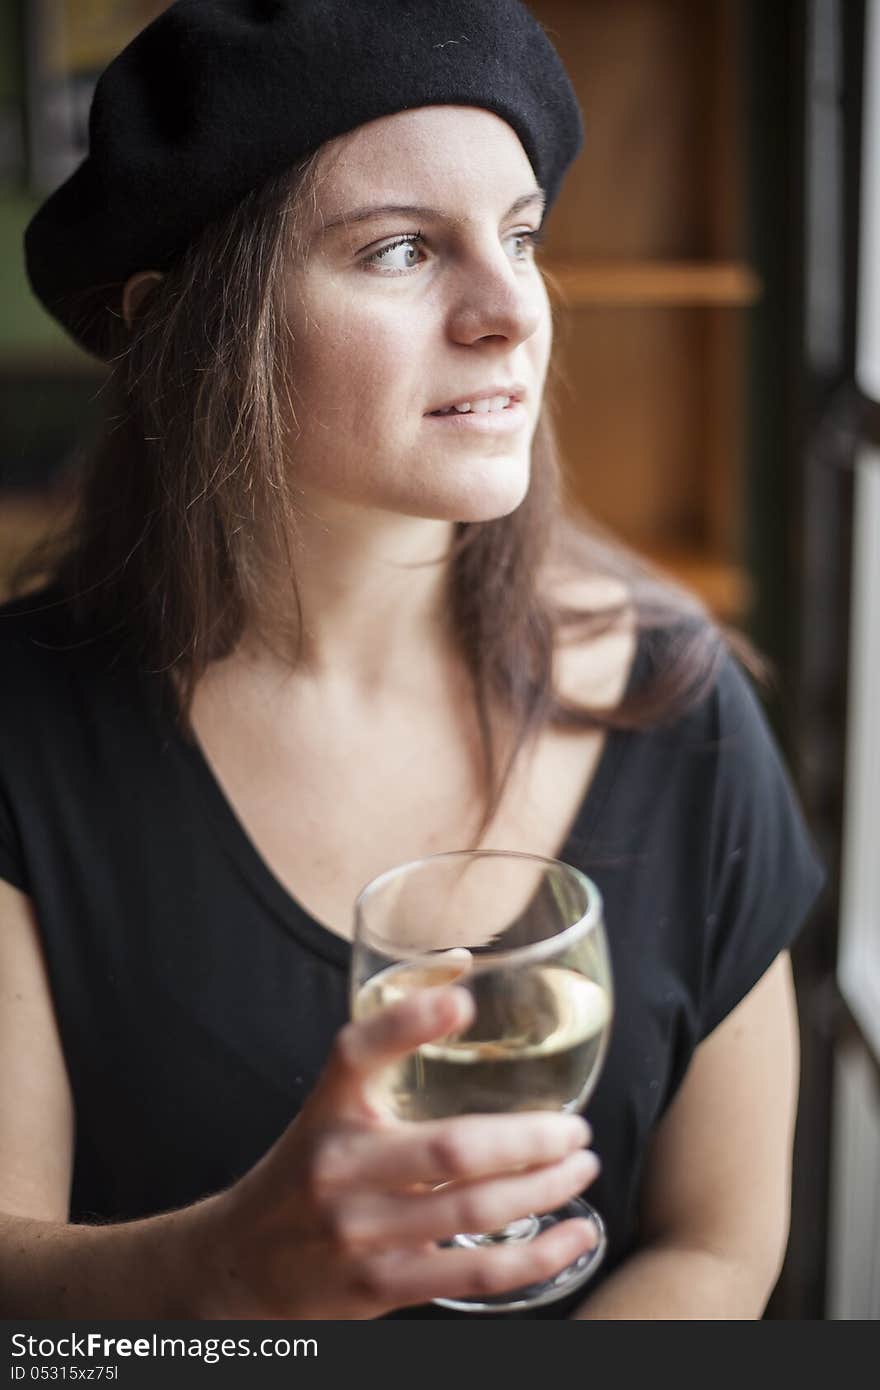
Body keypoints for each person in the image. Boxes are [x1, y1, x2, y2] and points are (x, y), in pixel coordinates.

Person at [0, 0, 824, 1320]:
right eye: (399, 249)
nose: (512, 310)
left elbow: (719, 1244)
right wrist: (220, 1267)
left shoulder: (676, 704)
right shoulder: (26, 733)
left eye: (519, 235)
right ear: (180, 333)